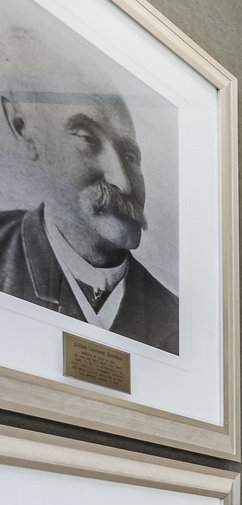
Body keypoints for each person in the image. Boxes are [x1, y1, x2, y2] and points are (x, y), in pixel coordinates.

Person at [0, 22, 178, 353]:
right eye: (86, 138)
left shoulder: (175, 319)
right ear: (21, 127)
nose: (124, 183)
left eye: (130, 156)